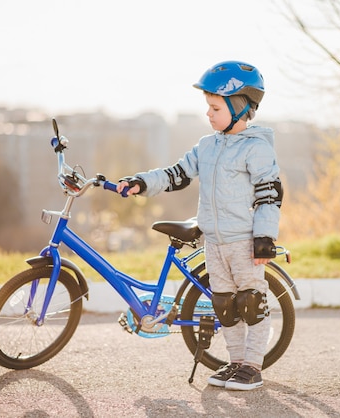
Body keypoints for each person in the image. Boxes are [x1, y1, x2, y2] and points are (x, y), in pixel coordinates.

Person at [117, 60, 283, 391]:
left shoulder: (257, 148)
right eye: (208, 107)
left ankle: (252, 365)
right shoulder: (207, 146)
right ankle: (234, 362)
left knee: (251, 303)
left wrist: (265, 237)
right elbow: (175, 174)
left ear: (240, 107)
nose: (208, 114)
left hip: (244, 243)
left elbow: (270, 195)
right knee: (225, 306)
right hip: (214, 243)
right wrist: (141, 182)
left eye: (215, 107)